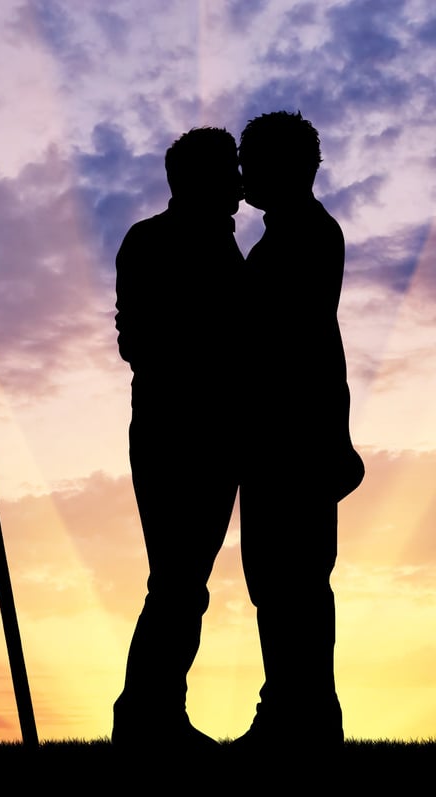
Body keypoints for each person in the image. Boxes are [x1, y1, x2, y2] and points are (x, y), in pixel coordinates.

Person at [232, 110, 364, 753]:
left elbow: (281, 341)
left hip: (293, 439)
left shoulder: (304, 236)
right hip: (285, 436)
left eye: (251, 160)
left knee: (294, 582)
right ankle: (291, 710)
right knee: (282, 581)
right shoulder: (292, 233)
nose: (241, 174)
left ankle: (300, 716)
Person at [111, 126, 245, 755]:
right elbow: (136, 340)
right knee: (177, 580)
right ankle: (146, 717)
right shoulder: (156, 241)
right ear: (200, 179)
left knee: (183, 581)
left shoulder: (219, 242)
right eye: (230, 174)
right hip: (174, 431)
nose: (242, 188)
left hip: (211, 431)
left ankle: (155, 714)